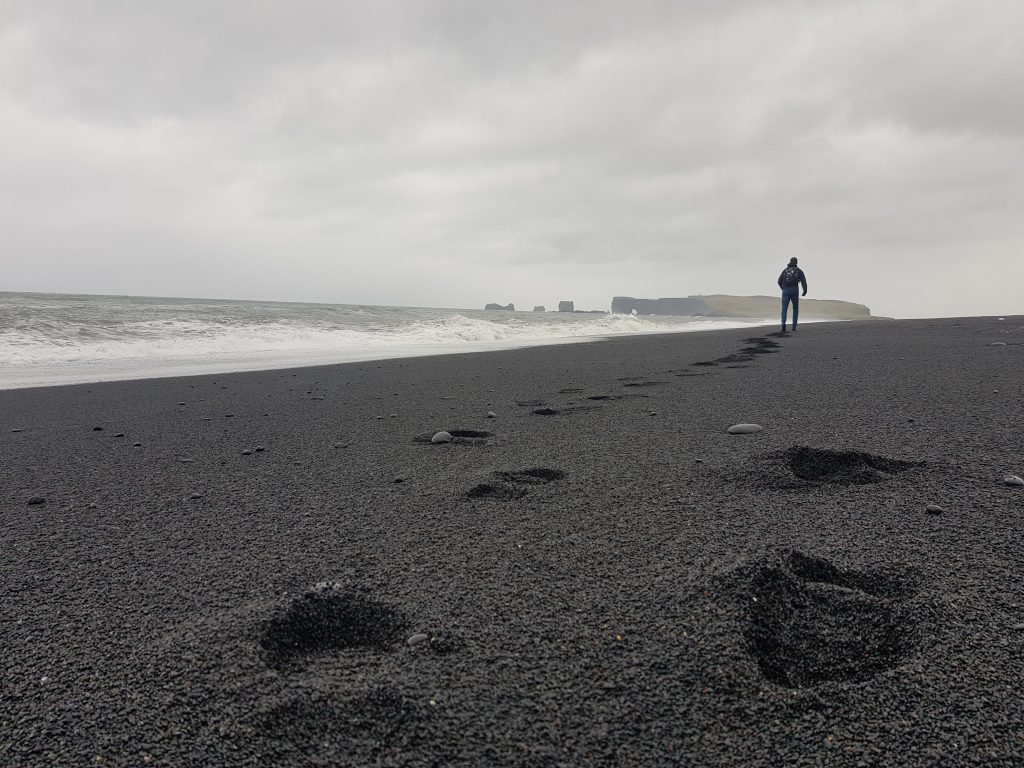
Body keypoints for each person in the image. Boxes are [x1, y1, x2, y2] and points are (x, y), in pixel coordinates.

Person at [777, 257, 807, 333]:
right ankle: (794, 326)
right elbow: (803, 281)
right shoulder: (799, 271)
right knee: (795, 308)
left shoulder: (785, 270)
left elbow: (779, 281)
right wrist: (805, 291)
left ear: (790, 262)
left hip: (785, 290)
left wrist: (783, 288)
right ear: (796, 263)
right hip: (794, 290)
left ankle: (783, 324)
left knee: (784, 308)